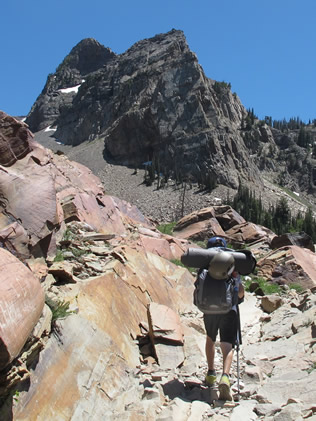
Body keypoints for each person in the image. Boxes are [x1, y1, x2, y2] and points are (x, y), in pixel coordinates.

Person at [203, 237, 244, 401]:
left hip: (209, 310)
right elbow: (240, 293)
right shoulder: (232, 267)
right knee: (228, 344)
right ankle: (225, 377)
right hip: (230, 310)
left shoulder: (205, 267)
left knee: (210, 339)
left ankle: (211, 374)